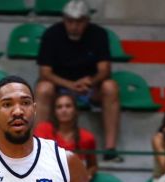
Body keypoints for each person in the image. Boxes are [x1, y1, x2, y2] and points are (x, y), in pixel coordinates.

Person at [35, 0, 121, 163]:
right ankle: (39, 146)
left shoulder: (99, 34)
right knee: (43, 88)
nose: (74, 26)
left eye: (79, 22)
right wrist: (70, 85)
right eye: (70, 21)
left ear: (87, 20)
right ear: (64, 19)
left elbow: (105, 70)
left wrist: (90, 82)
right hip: (60, 88)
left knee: (110, 87)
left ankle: (110, 148)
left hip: (89, 88)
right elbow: (45, 72)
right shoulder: (52, 34)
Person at [34, 93, 97, 182]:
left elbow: (93, 166)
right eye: (59, 107)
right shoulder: (43, 130)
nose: (64, 110)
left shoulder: (87, 137)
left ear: (75, 110)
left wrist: (87, 176)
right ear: (54, 112)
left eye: (68, 106)